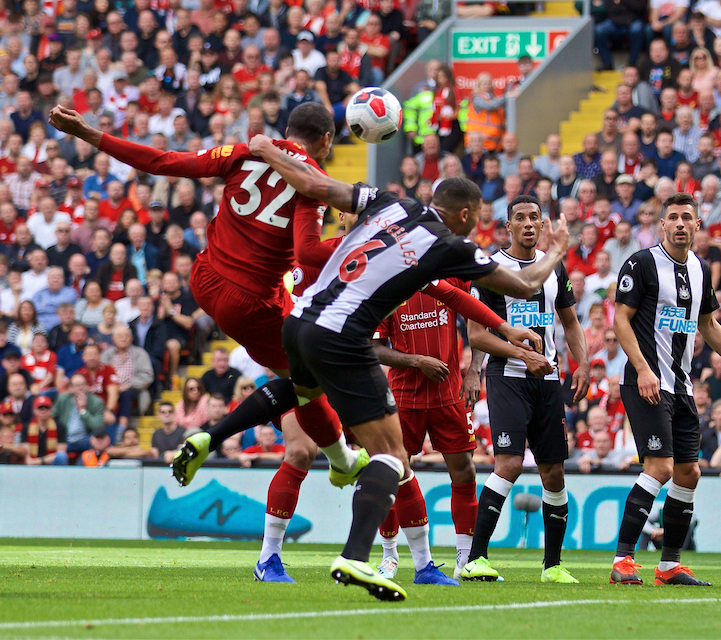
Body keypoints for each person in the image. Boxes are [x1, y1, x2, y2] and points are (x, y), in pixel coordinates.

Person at [240, 138, 574, 600]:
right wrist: (556, 252)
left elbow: (314, 185)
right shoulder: (434, 248)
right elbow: (523, 281)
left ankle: (405, 560)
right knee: (336, 454)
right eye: (477, 217)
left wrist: (269, 152)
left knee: (382, 455)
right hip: (332, 344)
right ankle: (318, 555)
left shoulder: (394, 223)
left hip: (321, 339)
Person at [47, 103, 365, 495]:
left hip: (203, 279)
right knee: (309, 378)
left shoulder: (242, 152)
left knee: (299, 370)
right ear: (327, 140)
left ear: (286, 128)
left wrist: (89, 133)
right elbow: (308, 255)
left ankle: (324, 455)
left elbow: (161, 161)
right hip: (248, 302)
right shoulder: (312, 182)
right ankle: (342, 461)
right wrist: (364, 244)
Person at [610, 193, 721, 586]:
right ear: (662, 225)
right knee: (660, 467)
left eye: (687, 218)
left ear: (698, 226)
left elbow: (710, 326)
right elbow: (621, 320)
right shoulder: (642, 263)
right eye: (673, 217)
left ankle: (669, 566)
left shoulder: (699, 268)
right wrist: (644, 369)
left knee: (689, 472)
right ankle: (623, 560)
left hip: (680, 386)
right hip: (645, 381)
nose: (680, 223)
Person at [373, 276, 542, 582]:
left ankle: (465, 559)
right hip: (403, 395)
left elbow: (479, 326)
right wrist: (416, 361)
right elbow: (373, 348)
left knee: (464, 472)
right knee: (392, 471)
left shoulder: (450, 279)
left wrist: (475, 371)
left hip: (449, 393)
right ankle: (389, 555)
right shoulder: (390, 283)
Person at [461, 195, 589, 586]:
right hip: (508, 377)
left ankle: (552, 566)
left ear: (544, 225)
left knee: (554, 473)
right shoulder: (492, 268)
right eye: (521, 218)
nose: (529, 224)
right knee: (510, 464)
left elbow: (569, 322)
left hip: (548, 381)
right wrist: (519, 355)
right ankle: (476, 558)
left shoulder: (554, 268)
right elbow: (477, 333)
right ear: (509, 226)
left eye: (536, 217)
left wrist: (582, 362)